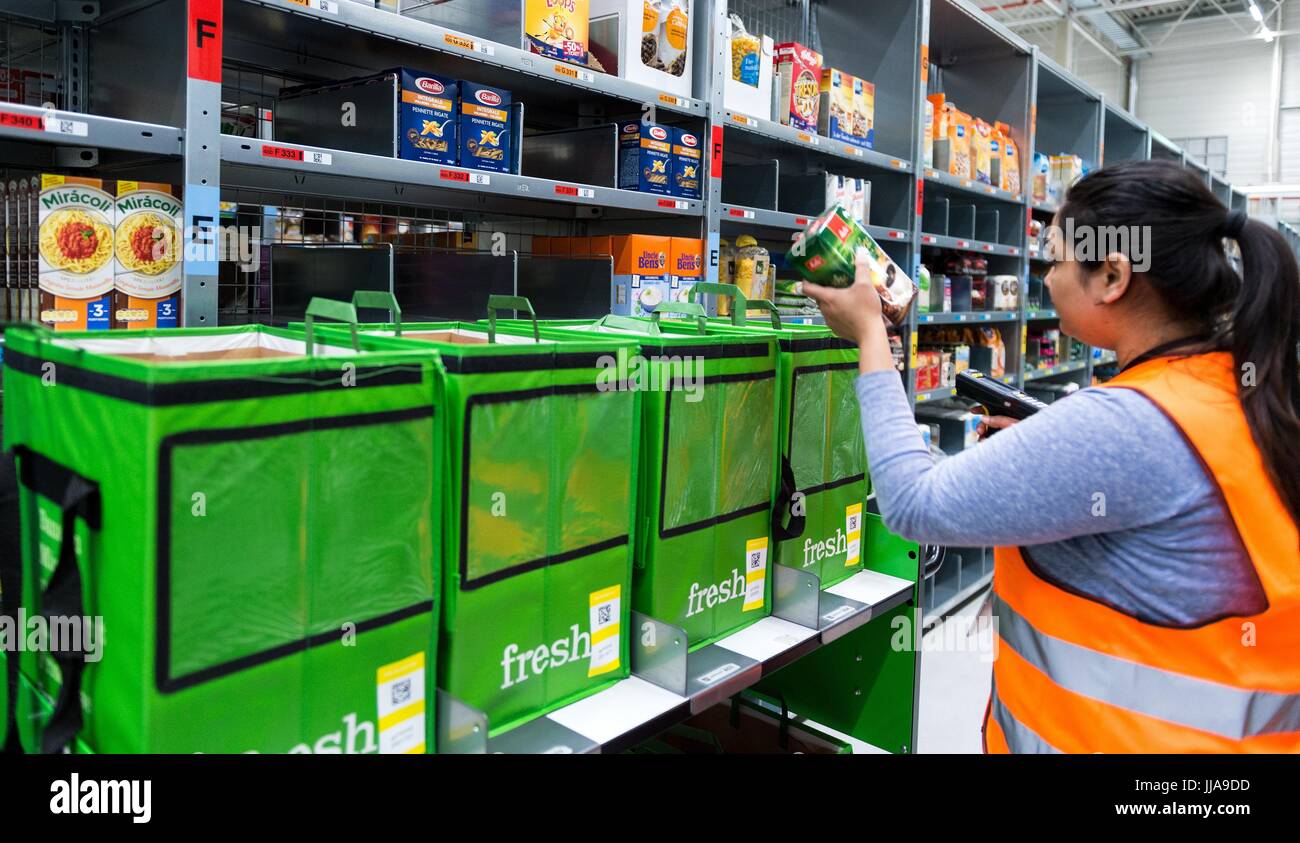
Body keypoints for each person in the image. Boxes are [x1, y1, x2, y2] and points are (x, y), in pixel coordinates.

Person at [803, 159, 1300, 753]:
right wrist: (1052, 447)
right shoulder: (1232, 385)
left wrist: (870, 338)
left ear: (1112, 276)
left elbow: (912, 504)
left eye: (1057, 259)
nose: (1046, 277)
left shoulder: (1124, 426)